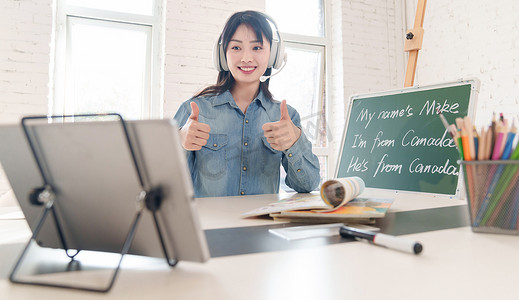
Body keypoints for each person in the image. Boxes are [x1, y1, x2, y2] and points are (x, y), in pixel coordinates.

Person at [173, 10, 320, 197]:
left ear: (273, 54)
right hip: (211, 226)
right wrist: (178, 143)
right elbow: (162, 185)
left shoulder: (285, 117)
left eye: (257, 48)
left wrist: (294, 143)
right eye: (236, 48)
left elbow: (309, 184)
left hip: (264, 225)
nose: (246, 58)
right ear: (222, 54)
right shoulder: (194, 110)